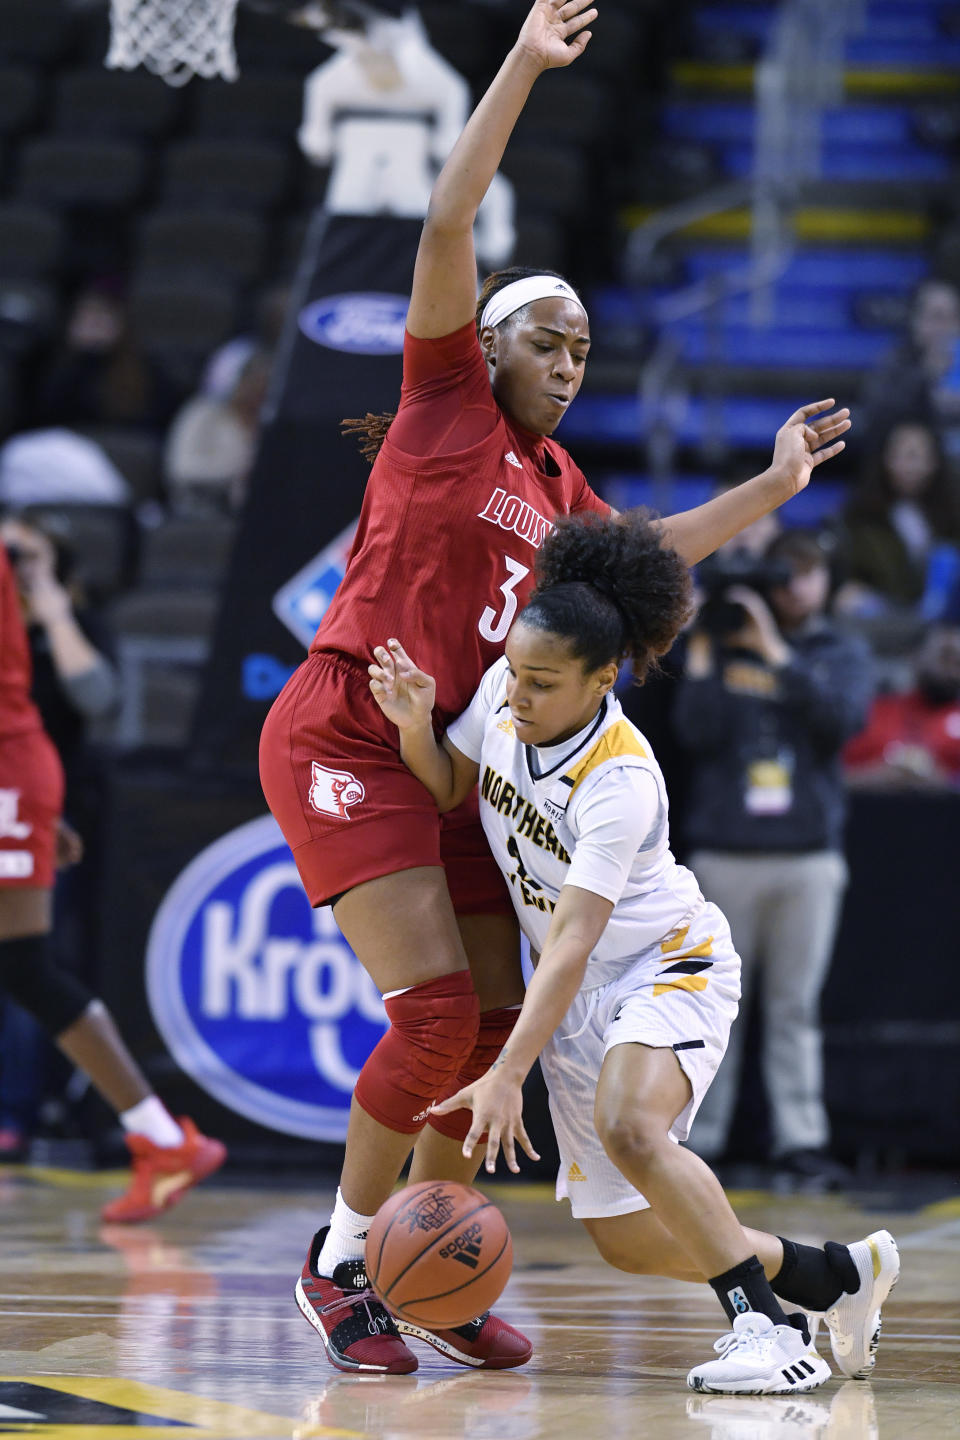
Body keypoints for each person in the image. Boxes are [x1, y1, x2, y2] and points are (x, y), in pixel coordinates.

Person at [258, 0, 851, 1377]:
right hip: (349, 721)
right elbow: (449, 223)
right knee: (431, 1020)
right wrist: (524, 62)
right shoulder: (448, 401)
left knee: (472, 1034)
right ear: (499, 343)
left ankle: (430, 1273)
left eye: (584, 353)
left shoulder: (557, 487)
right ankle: (341, 1264)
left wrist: (768, 488)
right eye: (552, 343)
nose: (570, 367)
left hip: (445, 750)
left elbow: (644, 555)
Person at [367, 508, 898, 1396]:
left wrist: (507, 1073)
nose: (517, 695)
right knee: (623, 1238)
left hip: (668, 963)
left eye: (542, 683)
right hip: (581, 998)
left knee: (630, 1125)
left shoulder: (620, 777)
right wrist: (417, 726)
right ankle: (830, 1274)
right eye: (516, 674)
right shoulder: (507, 691)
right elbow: (457, 783)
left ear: (602, 678)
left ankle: (765, 1331)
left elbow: (572, 942)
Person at [0, 535, 226, 1219]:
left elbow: (87, 693)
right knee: (25, 967)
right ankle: (161, 1139)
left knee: (28, 968)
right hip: (18, 772)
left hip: (11, 770)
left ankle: (162, 1139)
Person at [672, 531, 874, 1187]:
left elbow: (840, 720)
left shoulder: (838, 650)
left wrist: (775, 654)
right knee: (714, 1005)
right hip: (723, 853)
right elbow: (693, 732)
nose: (794, 588)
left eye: (808, 574)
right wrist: (704, 647)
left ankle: (799, 1139)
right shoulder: (718, 642)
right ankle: (703, 1138)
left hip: (807, 858)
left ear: (825, 580)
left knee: (794, 1007)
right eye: (784, 575)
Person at [0, 514, 121, 1158]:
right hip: (28, 803)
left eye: (28, 554)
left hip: (46, 810)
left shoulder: (71, 624)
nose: (13, 564)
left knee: (27, 966)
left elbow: (98, 697)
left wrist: (50, 607)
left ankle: (17, 1112)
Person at [835, 421, 960, 622]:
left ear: (934, 461)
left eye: (915, 456)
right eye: (899, 455)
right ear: (885, 459)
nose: (908, 466)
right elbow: (849, 571)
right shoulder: (860, 512)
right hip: (885, 609)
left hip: (943, 612)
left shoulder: (952, 507)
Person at [844, 623, 960, 788]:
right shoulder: (873, 712)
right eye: (946, 657)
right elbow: (830, 780)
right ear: (914, 656)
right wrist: (879, 776)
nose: (955, 669)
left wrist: (945, 782)